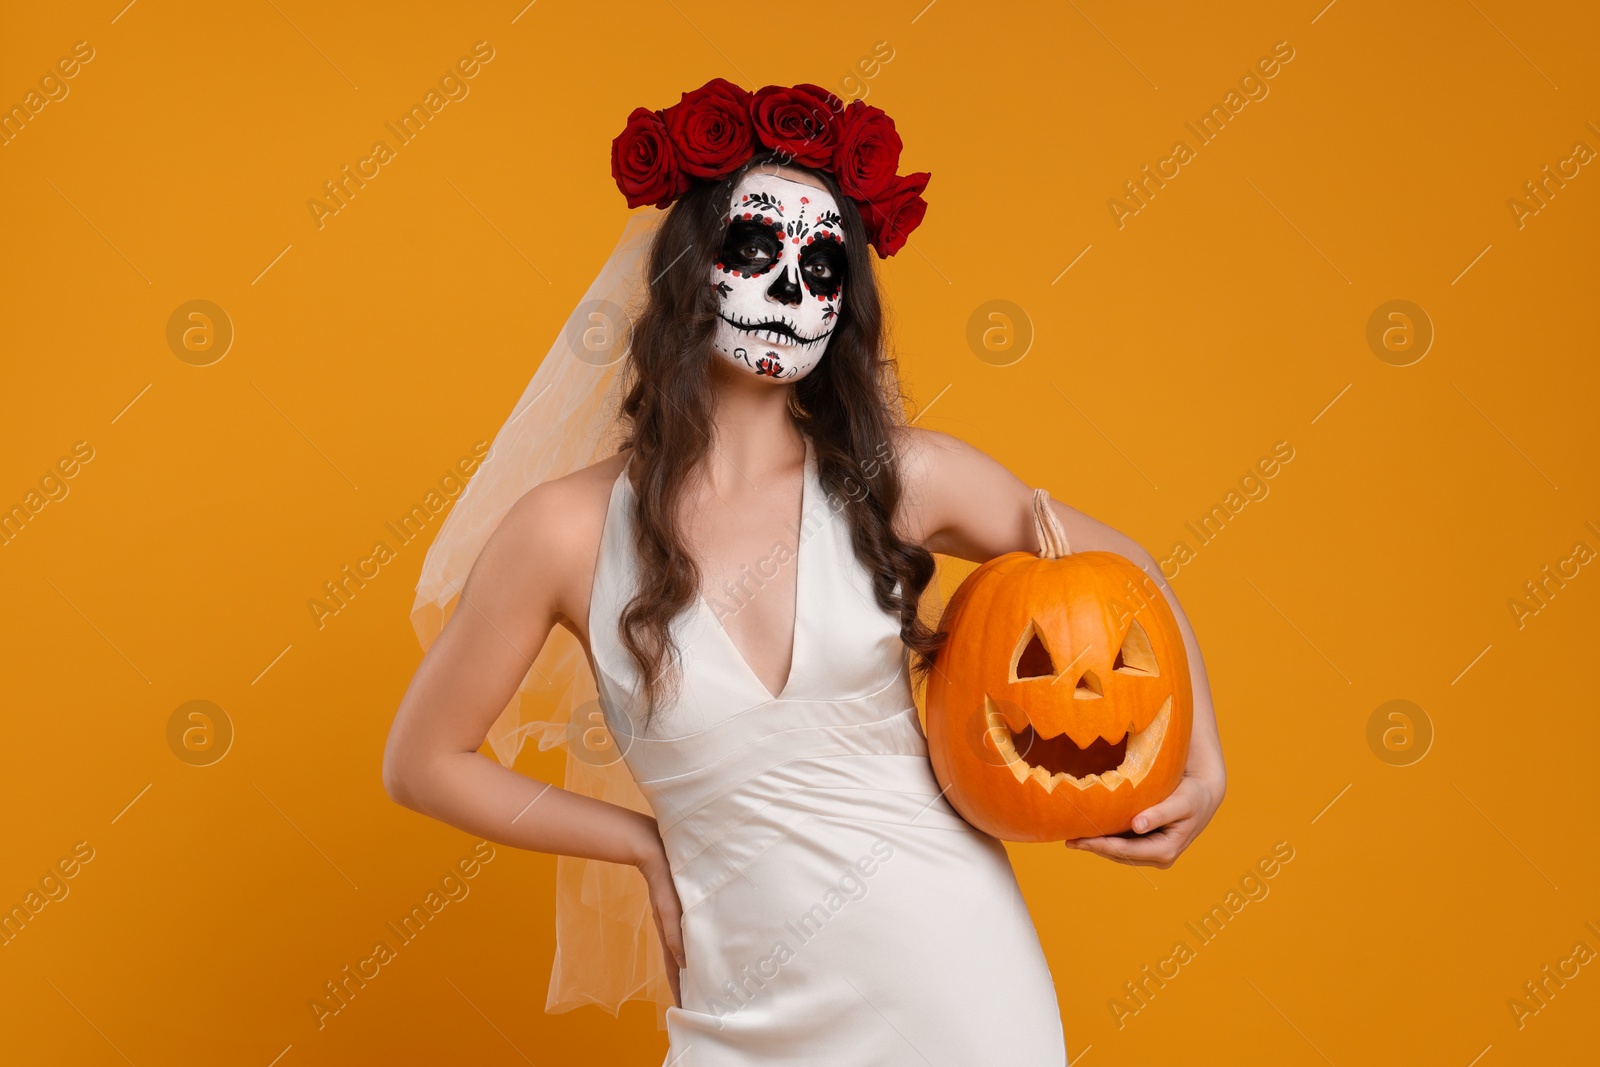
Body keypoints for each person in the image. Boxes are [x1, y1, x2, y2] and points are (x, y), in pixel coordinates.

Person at [383, 80, 1225, 1065]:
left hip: (959, 983)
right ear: (686, 270)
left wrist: (1201, 765)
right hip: (737, 1009)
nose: (791, 290)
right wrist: (643, 843)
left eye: (822, 265)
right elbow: (421, 760)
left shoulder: (904, 478)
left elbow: (1130, 572)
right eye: (755, 250)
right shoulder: (562, 531)